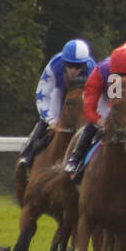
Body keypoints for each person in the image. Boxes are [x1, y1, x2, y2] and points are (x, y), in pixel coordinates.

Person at [63, 45, 126, 184]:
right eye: (120, 76)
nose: (124, 79)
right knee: (94, 126)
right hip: (105, 98)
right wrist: (97, 120)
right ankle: (75, 160)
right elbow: (89, 103)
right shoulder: (101, 71)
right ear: (113, 72)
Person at [20, 38, 96, 168]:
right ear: (64, 61)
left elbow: (95, 99)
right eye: (69, 65)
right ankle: (28, 155)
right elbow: (42, 95)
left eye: (77, 66)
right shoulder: (55, 65)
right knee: (51, 105)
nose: (73, 70)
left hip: (81, 101)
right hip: (57, 95)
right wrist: (51, 120)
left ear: (84, 64)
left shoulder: (92, 69)